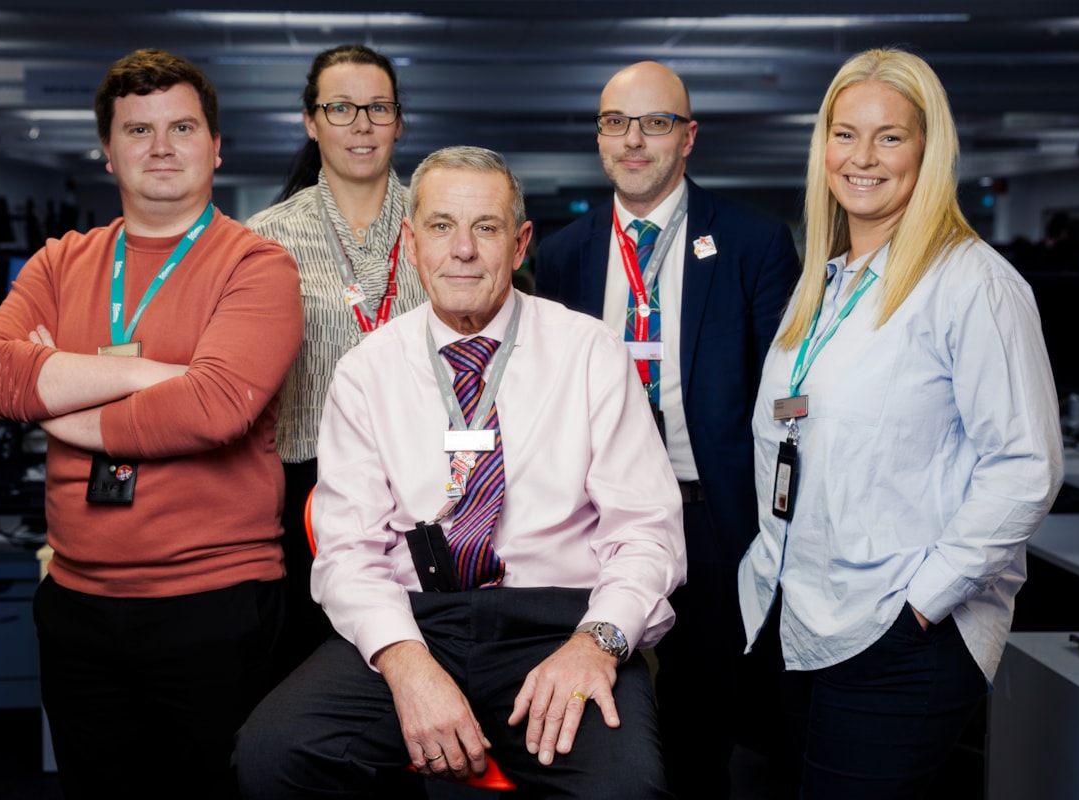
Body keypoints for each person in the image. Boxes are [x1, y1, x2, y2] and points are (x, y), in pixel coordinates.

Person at [233, 146, 687, 799]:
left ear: (522, 241)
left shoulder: (588, 354)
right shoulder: (368, 370)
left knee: (625, 787)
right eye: (442, 226)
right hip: (417, 619)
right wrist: (406, 662)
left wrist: (597, 642)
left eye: (487, 227)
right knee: (274, 754)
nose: (463, 250)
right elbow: (347, 555)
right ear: (413, 243)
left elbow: (647, 534)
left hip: (559, 623)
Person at [0, 48, 303, 800]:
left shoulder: (258, 266)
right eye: (137, 130)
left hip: (212, 604)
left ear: (216, 147)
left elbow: (218, 408)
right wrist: (154, 379)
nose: (161, 146)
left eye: (182, 126)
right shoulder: (60, 261)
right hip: (77, 603)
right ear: (108, 152)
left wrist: (60, 403)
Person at [737, 48, 1065, 799]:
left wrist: (922, 604)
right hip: (804, 620)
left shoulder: (974, 284)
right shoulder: (825, 280)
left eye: (890, 136)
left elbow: (1025, 469)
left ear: (929, 148)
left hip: (898, 633)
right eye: (845, 133)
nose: (863, 157)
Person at [534, 60, 801, 797]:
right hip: (595, 519)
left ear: (688, 136)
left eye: (655, 123)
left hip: (709, 514)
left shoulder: (751, 241)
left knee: (701, 723)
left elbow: (785, 391)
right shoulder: (560, 257)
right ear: (598, 137)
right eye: (616, 123)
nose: (634, 140)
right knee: (598, 711)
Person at [245, 43, 429, 676]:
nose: (361, 124)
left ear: (399, 122)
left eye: (378, 108)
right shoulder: (264, 239)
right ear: (311, 120)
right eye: (340, 107)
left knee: (417, 660)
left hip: (424, 482)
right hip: (307, 484)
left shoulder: (439, 227)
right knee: (312, 670)